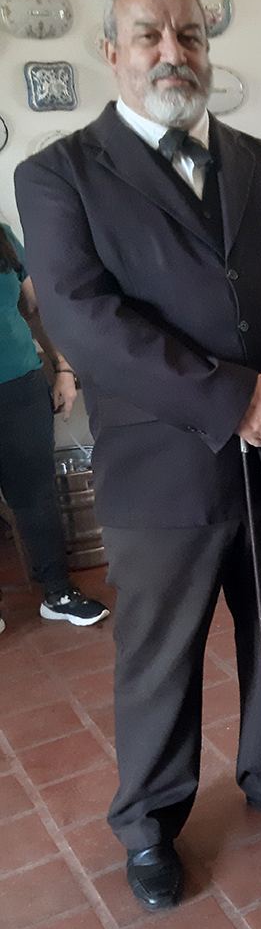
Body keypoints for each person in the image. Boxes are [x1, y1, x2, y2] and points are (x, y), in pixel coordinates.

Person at [15, 0, 261, 912]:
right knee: (160, 654)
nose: (174, 52)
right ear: (112, 51)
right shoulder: (57, 175)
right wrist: (232, 399)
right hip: (162, 466)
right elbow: (85, 322)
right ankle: (149, 821)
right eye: (150, 35)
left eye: (191, 35)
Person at [0, 219, 108, 633]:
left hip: (19, 386)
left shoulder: (3, 236)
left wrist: (63, 368)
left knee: (36, 496)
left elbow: (40, 305)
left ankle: (58, 593)